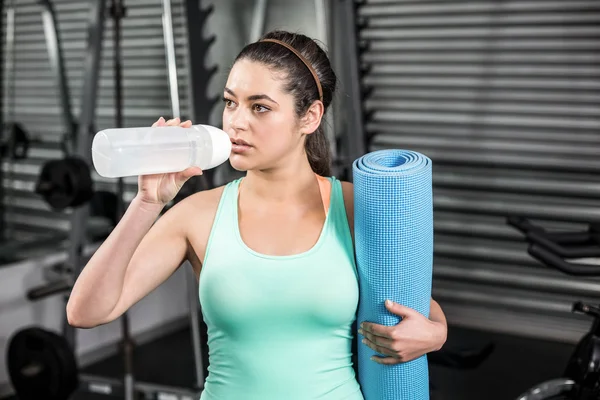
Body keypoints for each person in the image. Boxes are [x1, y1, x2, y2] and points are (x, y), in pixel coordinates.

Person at [67, 30, 447, 399]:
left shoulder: (356, 207)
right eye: (230, 102)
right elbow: (86, 311)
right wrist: (147, 203)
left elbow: (417, 308)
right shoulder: (198, 214)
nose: (236, 122)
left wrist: (437, 334)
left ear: (310, 117)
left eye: (259, 107)